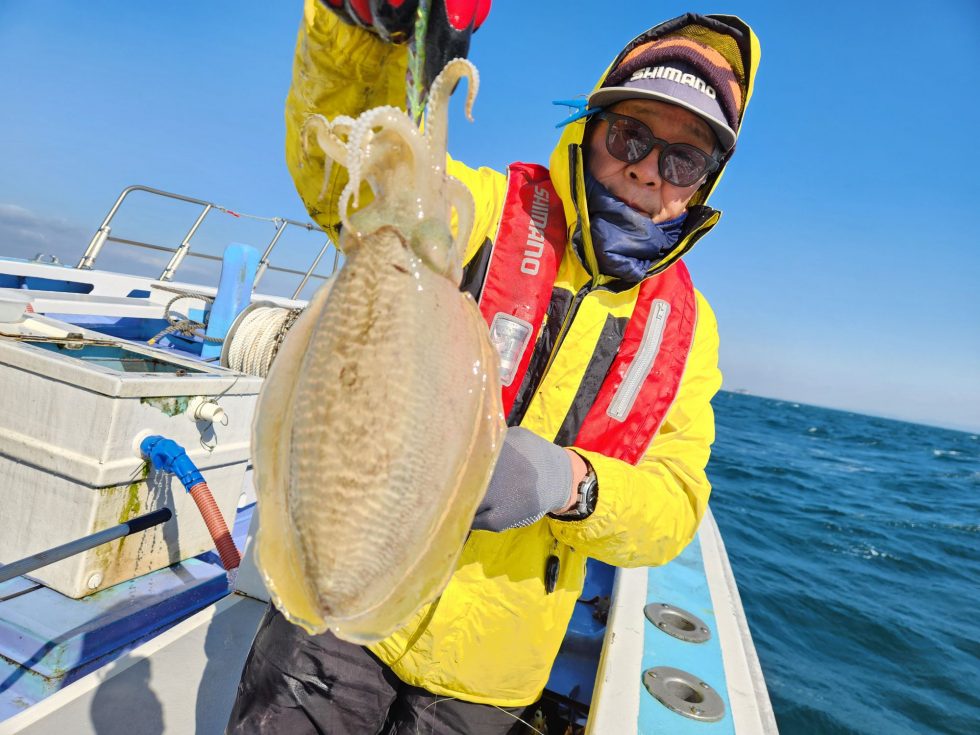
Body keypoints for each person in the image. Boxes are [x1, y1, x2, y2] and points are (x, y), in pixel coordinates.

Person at [227, 2, 760, 733]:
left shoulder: (687, 330)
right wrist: (361, 29)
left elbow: (673, 502)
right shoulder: (485, 208)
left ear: (703, 183)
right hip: (340, 621)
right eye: (631, 134)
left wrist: (568, 483)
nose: (645, 168)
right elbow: (357, 170)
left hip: (488, 670)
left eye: (682, 158)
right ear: (593, 126)